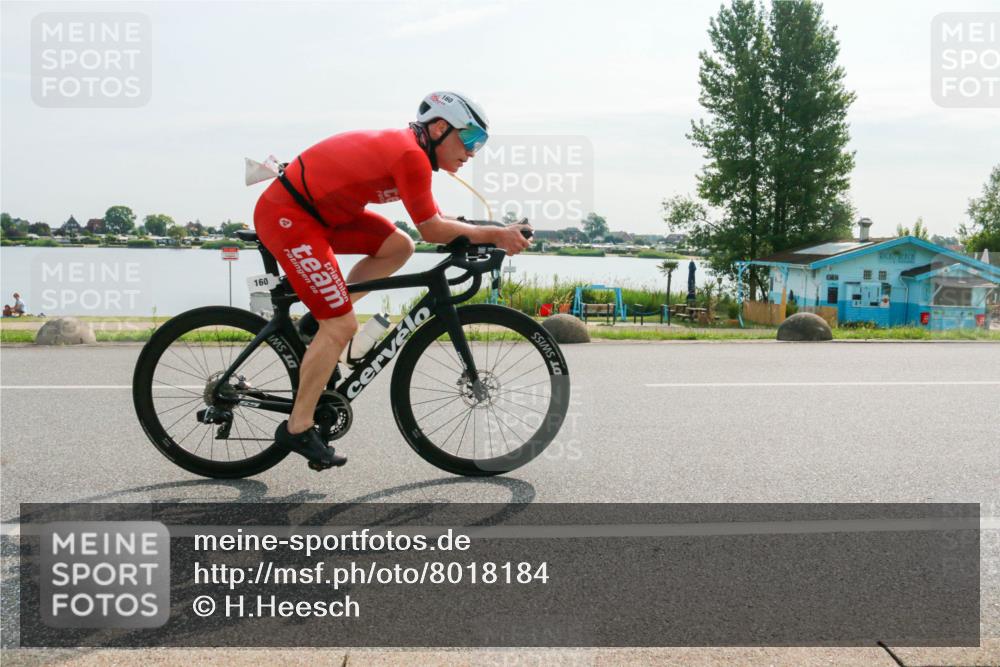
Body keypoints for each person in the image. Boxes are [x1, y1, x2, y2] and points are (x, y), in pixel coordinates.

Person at [253, 91, 532, 470]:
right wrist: (497, 235)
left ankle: (318, 324)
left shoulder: (413, 152)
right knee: (343, 325)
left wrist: (484, 229)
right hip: (291, 216)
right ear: (439, 127)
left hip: (324, 215)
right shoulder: (410, 155)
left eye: (479, 144)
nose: (472, 152)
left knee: (398, 246)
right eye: (469, 140)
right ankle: (298, 427)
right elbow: (432, 229)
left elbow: (431, 218)